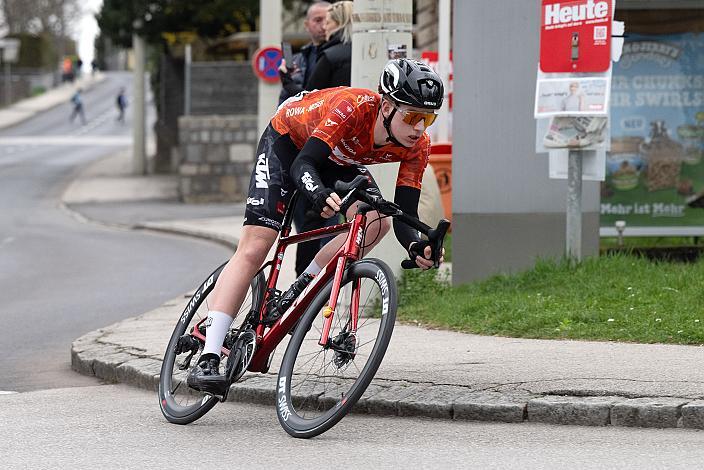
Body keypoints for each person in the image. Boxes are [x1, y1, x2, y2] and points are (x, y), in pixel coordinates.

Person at [187, 59, 446, 395]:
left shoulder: (417, 145)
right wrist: (317, 193)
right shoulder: (353, 108)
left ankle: (301, 287)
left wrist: (416, 244)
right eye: (411, 116)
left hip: (338, 159)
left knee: (376, 219)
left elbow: (404, 213)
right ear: (386, 106)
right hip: (289, 145)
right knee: (256, 245)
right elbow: (304, 163)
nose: (418, 127)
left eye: (428, 118)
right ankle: (209, 355)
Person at [278, 1, 330, 104]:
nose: (324, 26)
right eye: (318, 20)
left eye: (328, 20)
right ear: (306, 25)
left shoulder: (338, 56)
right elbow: (285, 97)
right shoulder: (298, 60)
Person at [305, 1, 353, 91]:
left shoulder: (329, 56)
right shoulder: (364, 52)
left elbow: (310, 96)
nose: (324, 27)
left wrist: (287, 81)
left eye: (327, 23)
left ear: (339, 23)